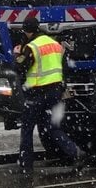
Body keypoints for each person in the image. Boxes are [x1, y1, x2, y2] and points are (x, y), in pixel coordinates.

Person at [13, 16, 86, 174]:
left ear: (26, 31)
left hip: (37, 93)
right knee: (52, 128)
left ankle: (25, 165)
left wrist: (16, 55)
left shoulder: (31, 47)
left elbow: (20, 67)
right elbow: (65, 68)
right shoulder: (54, 44)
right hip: (55, 92)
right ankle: (76, 152)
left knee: (27, 128)